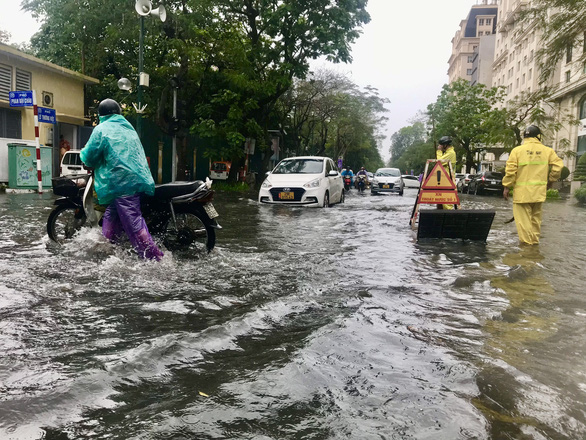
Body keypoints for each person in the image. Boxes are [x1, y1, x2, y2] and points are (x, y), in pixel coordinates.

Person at [80, 98, 164, 261]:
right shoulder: (128, 127)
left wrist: (85, 160)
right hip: (139, 180)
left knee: (133, 224)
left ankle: (155, 259)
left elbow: (90, 155)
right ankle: (108, 251)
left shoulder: (101, 129)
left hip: (121, 184)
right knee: (111, 216)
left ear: (101, 115)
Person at [502, 125, 563, 245]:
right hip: (539, 193)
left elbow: (510, 171)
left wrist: (506, 187)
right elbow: (558, 166)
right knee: (535, 222)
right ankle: (534, 247)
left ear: (525, 136)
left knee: (523, 224)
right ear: (538, 136)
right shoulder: (548, 151)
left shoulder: (517, 151)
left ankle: (527, 251)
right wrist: (551, 180)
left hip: (522, 195)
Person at [436, 136, 457, 209]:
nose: (440, 146)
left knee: (447, 202)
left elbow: (439, 162)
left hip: (448, 181)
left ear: (445, 145)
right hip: (444, 180)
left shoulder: (451, 153)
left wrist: (439, 151)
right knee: (441, 202)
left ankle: (449, 218)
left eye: (441, 145)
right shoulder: (447, 153)